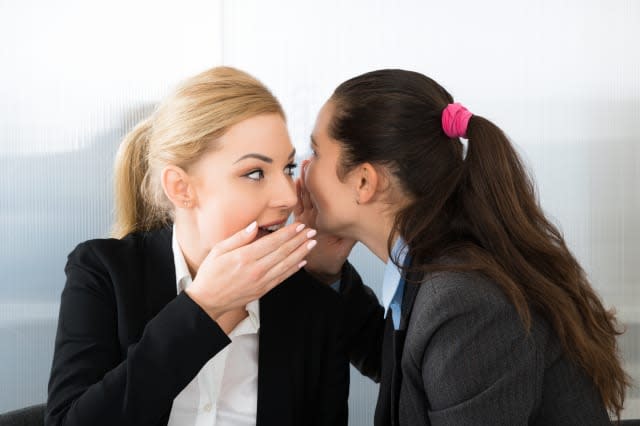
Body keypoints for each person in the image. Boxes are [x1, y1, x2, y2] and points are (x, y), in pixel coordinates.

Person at [296, 69, 629, 425]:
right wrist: (326, 273)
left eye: (316, 152)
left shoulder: (465, 301)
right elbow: (402, 369)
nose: (303, 169)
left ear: (364, 181)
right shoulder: (433, 269)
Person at [46, 66, 349, 426]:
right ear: (181, 188)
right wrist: (202, 307)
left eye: (287, 168)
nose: (287, 196)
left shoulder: (313, 307)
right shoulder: (104, 273)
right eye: (255, 173)